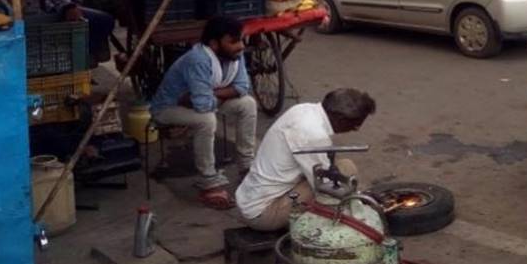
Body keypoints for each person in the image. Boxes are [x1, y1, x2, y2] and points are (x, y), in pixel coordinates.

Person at [149, 16, 258, 208]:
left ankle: (246, 168)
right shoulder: (198, 59)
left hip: (204, 101)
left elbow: (242, 87)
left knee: (248, 104)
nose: (240, 46)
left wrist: (210, 93)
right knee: (206, 120)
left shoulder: (235, 55)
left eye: (240, 40)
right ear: (215, 44)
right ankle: (208, 182)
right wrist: (211, 96)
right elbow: (203, 106)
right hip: (168, 108)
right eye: (233, 42)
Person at [235, 89, 377, 231]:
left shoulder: (302, 110)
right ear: (341, 119)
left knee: (336, 167)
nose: (355, 129)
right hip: (264, 213)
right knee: (346, 169)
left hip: (246, 200)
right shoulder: (314, 135)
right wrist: (358, 202)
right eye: (355, 125)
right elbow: (326, 187)